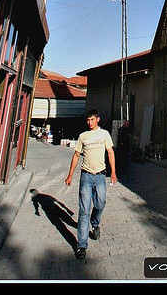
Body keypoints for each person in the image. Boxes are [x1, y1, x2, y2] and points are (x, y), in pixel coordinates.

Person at [65, 109, 117, 259]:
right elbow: (76, 155)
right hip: (86, 177)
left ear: (98, 120)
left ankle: (95, 223)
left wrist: (113, 172)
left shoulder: (104, 134)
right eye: (88, 120)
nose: (89, 122)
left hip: (100, 175)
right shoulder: (83, 136)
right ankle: (81, 245)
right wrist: (70, 175)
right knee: (83, 211)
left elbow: (110, 152)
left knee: (100, 203)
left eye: (92, 120)